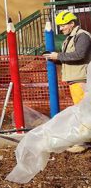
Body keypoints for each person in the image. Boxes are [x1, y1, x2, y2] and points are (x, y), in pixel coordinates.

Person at [44, 10, 91, 152]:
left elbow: (79, 55)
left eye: (63, 25)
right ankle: (85, 141)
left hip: (81, 79)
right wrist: (57, 59)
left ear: (72, 23)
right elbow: (70, 58)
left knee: (84, 113)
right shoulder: (70, 37)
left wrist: (58, 55)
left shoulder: (82, 36)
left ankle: (83, 143)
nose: (61, 28)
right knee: (83, 112)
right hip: (75, 79)